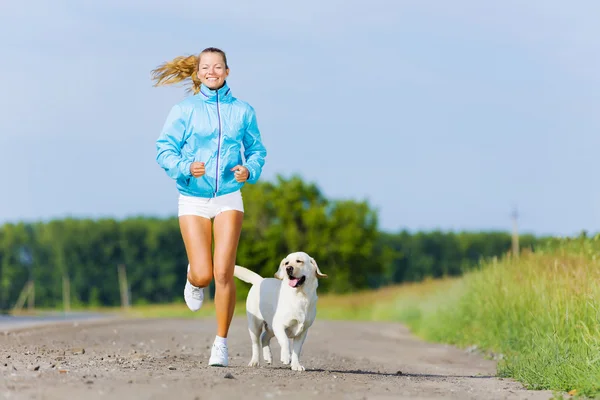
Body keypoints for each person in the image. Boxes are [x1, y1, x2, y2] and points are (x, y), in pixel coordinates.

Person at [151, 47, 267, 367]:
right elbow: (164, 150)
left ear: (227, 72)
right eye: (206, 67)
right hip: (193, 197)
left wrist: (249, 170)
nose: (212, 72)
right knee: (204, 274)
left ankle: (221, 343)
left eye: (218, 67)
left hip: (229, 196)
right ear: (199, 72)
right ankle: (193, 277)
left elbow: (256, 150)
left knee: (223, 272)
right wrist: (186, 167)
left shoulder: (243, 111)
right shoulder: (184, 110)